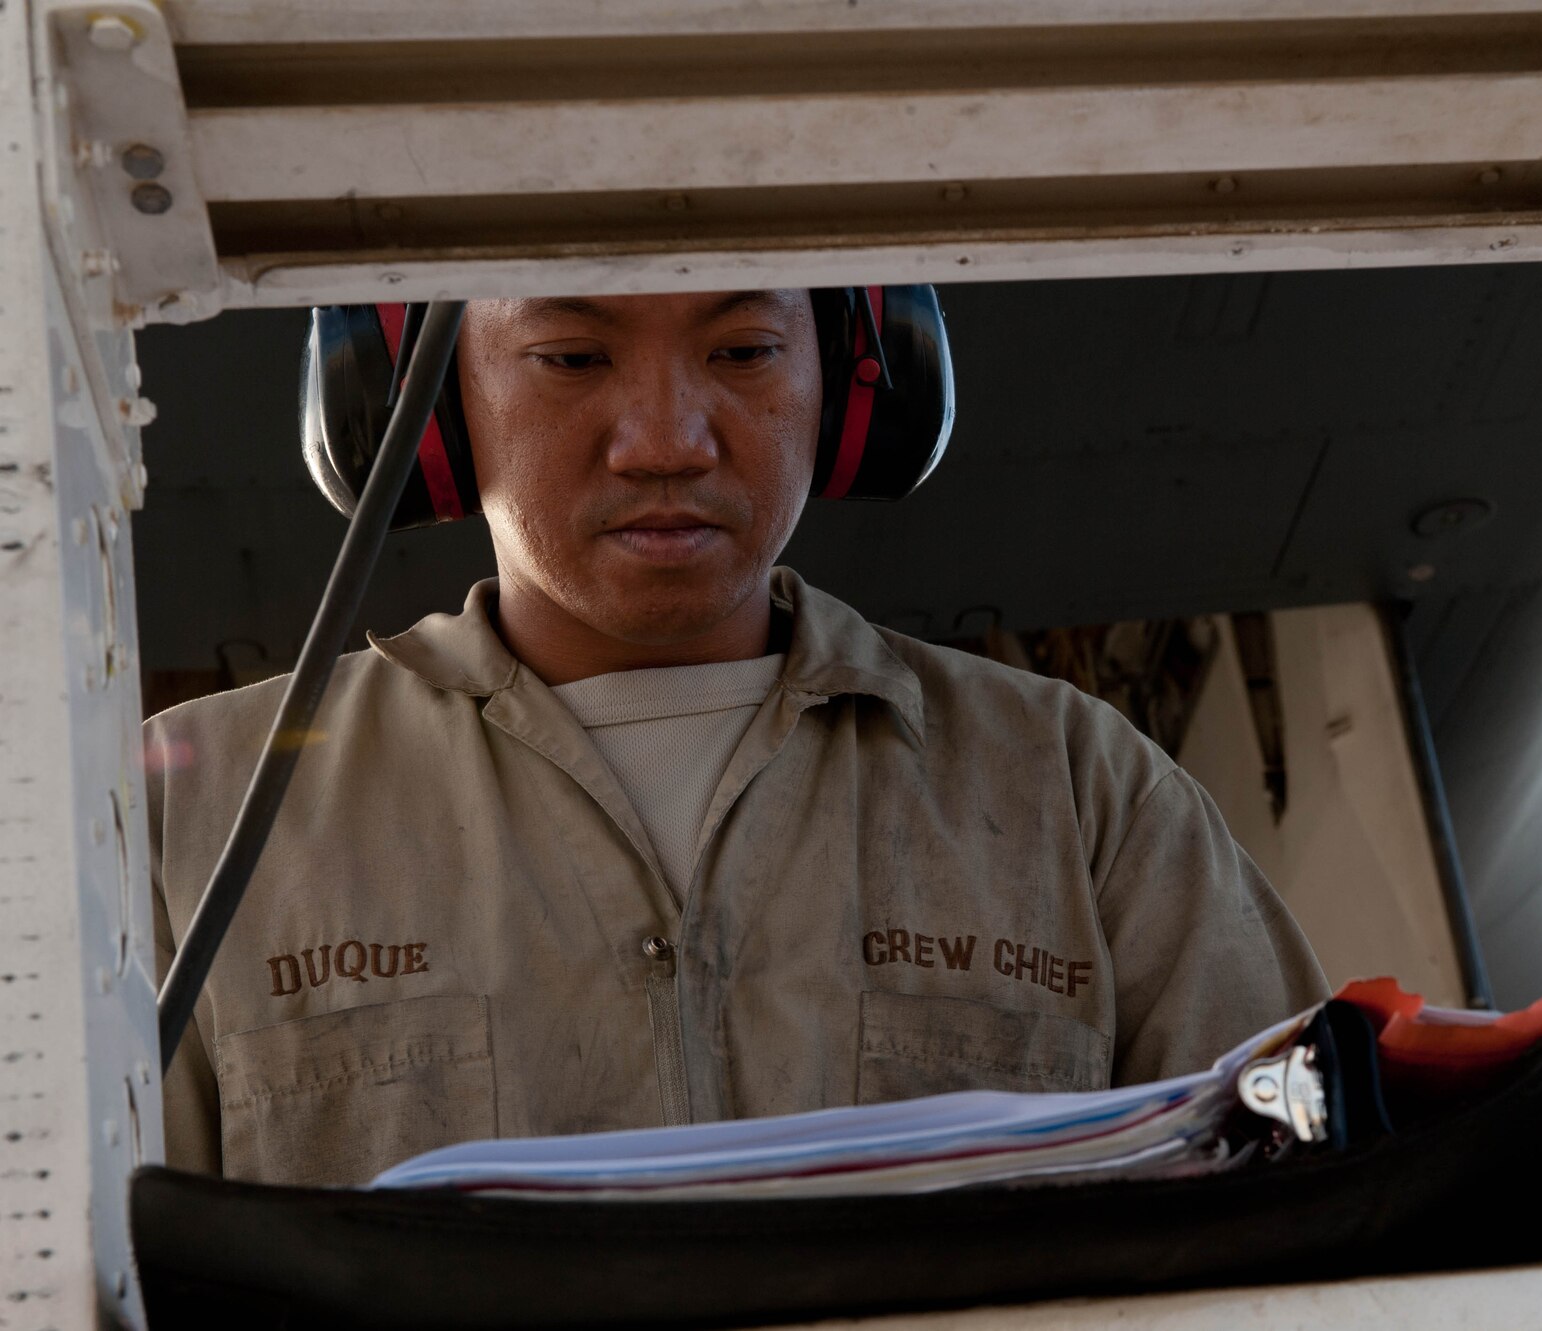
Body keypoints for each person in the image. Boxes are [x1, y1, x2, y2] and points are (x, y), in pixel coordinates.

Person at [148, 289, 1328, 1188]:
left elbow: (1302, 1202)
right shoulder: (182, 828)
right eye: (571, 357)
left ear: (853, 391)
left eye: (744, 352)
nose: (665, 439)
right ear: (427, 398)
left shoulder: (1079, 792)